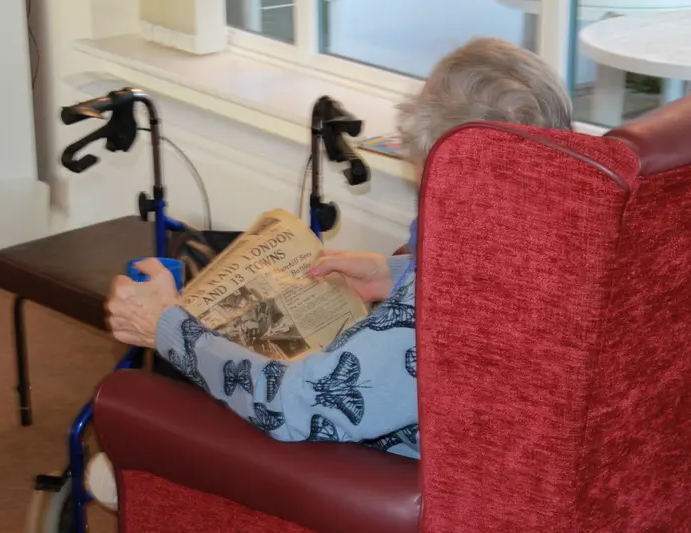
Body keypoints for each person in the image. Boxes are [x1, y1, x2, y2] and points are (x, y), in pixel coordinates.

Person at [87, 37, 573, 510]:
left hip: (411, 482)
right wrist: (396, 272)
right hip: (511, 454)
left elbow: (291, 405)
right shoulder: (564, 235)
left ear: (445, 159)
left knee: (169, 404)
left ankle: (148, 476)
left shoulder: (456, 294)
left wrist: (166, 327)